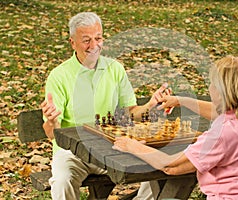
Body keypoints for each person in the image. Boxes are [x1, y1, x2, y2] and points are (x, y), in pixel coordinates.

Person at [41, 12, 170, 200]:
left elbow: (130, 112)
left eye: (98, 38)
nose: (94, 46)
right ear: (72, 43)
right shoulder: (59, 76)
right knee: (62, 181)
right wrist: (52, 121)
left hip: (112, 149)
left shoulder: (114, 69)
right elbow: (53, 133)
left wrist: (150, 104)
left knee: (159, 166)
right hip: (73, 154)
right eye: (86, 40)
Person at [113, 56, 238, 199]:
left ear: (222, 92)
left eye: (212, 85)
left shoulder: (222, 134)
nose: (209, 89)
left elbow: (170, 166)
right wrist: (180, 101)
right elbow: (219, 111)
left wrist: (133, 146)